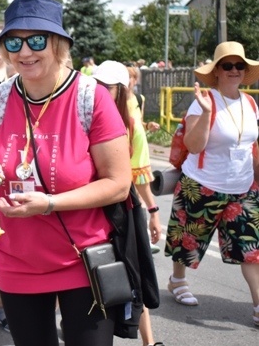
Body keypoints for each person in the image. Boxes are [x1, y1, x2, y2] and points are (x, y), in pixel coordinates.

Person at [0, 0, 130, 346]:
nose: (24, 52)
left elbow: (118, 184)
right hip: (15, 259)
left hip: (81, 260)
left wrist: (50, 203)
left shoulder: (91, 97)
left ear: (58, 43)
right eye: (14, 41)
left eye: (36, 40)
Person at [165, 41, 259, 328]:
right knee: (187, 241)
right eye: (227, 65)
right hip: (202, 184)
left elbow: (251, 147)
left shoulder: (251, 103)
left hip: (241, 188)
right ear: (216, 70)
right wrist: (206, 114)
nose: (234, 70)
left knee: (252, 249)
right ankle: (177, 280)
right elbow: (194, 146)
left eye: (239, 65)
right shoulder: (203, 101)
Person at [92, 61, 164, 346]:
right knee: (81, 272)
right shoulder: (81, 117)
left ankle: (149, 342)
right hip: (84, 206)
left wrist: (154, 212)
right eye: (95, 85)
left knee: (132, 272)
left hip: (122, 208)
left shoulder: (130, 125)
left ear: (121, 91)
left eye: (106, 87)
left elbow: (140, 176)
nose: (98, 92)